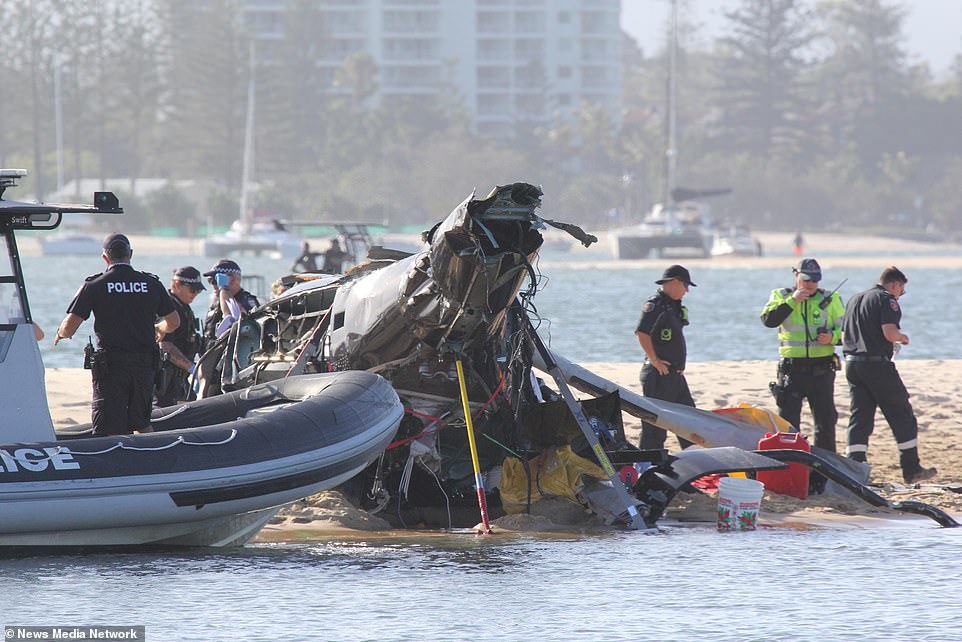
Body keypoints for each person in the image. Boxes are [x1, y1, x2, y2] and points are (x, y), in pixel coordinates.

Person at [54, 233, 179, 435]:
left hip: (111, 367)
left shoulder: (94, 285)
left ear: (105, 257)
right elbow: (174, 322)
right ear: (130, 254)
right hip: (145, 365)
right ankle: (153, 460)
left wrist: (60, 333)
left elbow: (69, 328)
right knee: (142, 422)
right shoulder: (151, 284)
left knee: (109, 426)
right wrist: (159, 329)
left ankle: (113, 463)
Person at [841, 266, 936, 484]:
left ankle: (854, 469)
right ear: (895, 284)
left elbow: (845, 334)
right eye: (901, 291)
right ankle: (911, 468)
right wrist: (902, 338)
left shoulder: (855, 299)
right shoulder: (886, 300)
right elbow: (889, 332)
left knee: (860, 416)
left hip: (853, 364)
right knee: (901, 412)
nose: (900, 296)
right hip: (877, 366)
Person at [760, 258, 844, 493]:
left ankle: (822, 480)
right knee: (788, 427)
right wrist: (793, 301)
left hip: (822, 370)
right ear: (796, 275)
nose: (810, 285)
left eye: (815, 281)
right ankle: (788, 475)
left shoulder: (831, 299)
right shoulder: (780, 295)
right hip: (792, 371)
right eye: (806, 280)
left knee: (825, 425)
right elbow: (768, 321)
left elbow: (848, 330)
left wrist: (833, 338)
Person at [635, 264, 696, 451]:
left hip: (675, 376)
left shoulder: (673, 305)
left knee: (690, 421)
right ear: (675, 282)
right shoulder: (656, 304)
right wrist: (655, 360)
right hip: (659, 375)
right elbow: (642, 332)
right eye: (685, 285)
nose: (686, 291)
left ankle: (697, 464)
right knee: (655, 428)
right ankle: (647, 466)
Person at [154, 266, 205, 408]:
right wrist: (192, 368)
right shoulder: (169, 308)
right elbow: (165, 346)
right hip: (164, 380)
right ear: (177, 285)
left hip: (179, 379)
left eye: (198, 291)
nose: (195, 294)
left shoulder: (184, 307)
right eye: (192, 290)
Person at [202, 259, 260, 350]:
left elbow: (231, 318)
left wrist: (224, 288)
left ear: (232, 280)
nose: (213, 285)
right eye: (210, 281)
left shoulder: (246, 300)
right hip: (211, 359)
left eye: (215, 281)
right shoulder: (217, 302)